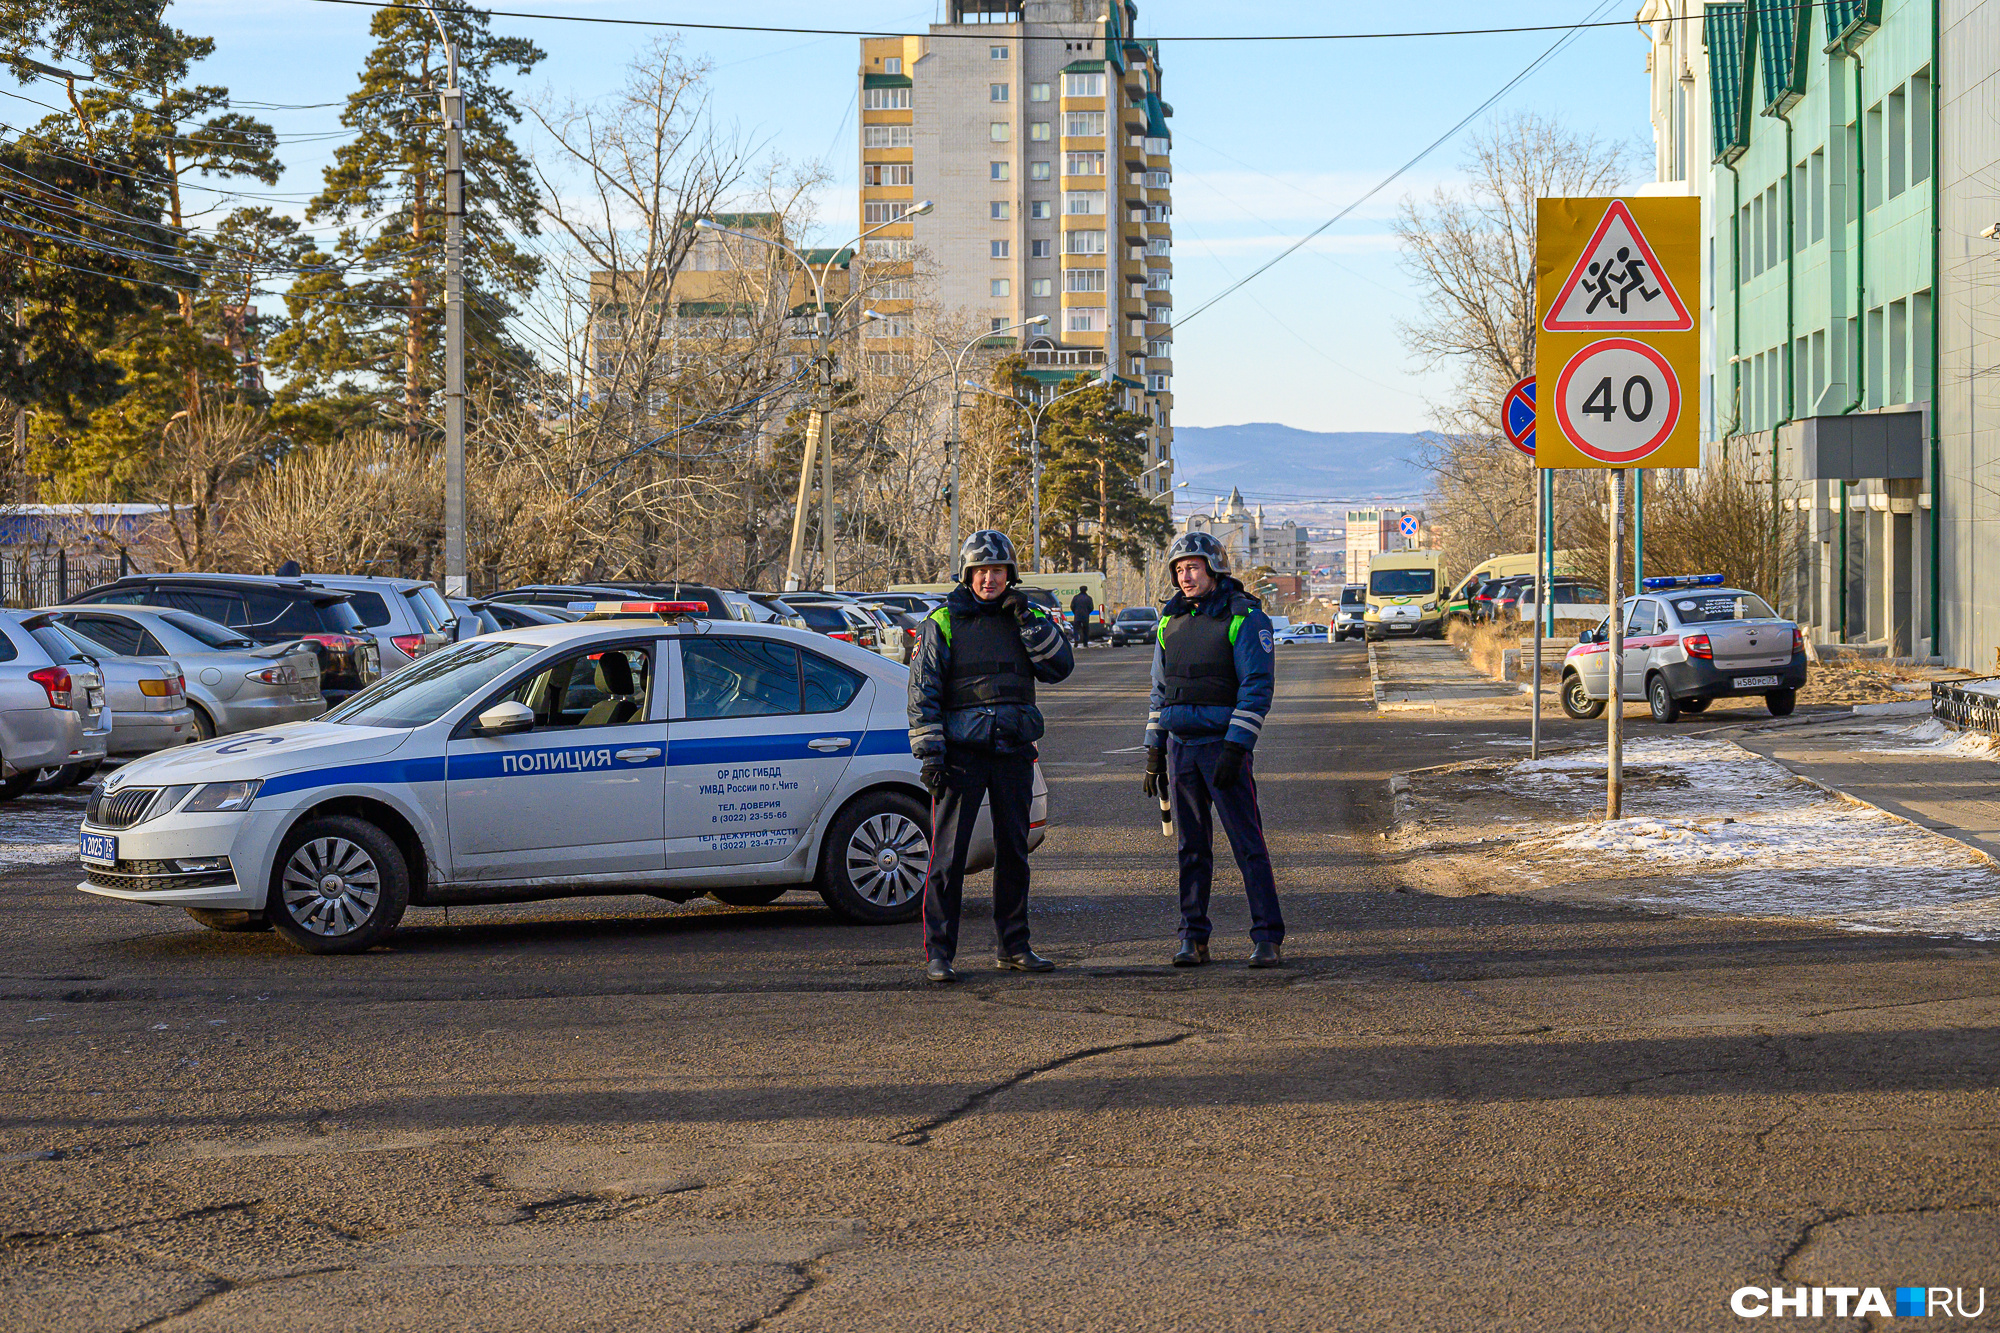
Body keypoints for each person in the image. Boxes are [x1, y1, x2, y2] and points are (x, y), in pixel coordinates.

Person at [909, 530, 1076, 983]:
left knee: (1014, 856)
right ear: (967, 575)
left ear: (1010, 575)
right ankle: (939, 954)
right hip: (961, 758)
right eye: (980, 571)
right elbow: (923, 695)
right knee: (948, 858)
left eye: (997, 570)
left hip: (1013, 753)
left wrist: (1031, 623)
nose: (988, 579)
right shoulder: (941, 622)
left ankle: (1014, 947)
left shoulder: (1027, 617)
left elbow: (1060, 667)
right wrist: (930, 755)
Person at [1140, 531, 1284, 967]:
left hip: (1223, 750)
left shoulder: (1245, 618)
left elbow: (1257, 688)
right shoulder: (1169, 622)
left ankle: (1267, 937)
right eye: (1180, 570)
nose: (1185, 577)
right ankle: (1192, 937)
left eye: (1193, 568)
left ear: (1214, 568)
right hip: (1181, 750)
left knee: (1247, 845)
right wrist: (1153, 751)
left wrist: (1236, 748)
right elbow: (1160, 692)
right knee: (1191, 849)